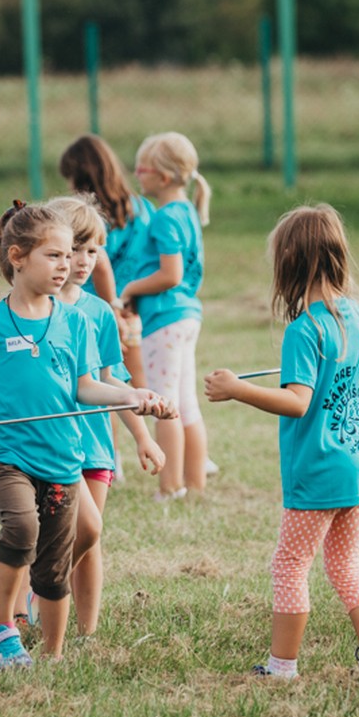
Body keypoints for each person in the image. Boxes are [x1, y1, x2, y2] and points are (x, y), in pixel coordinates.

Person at [0, 201, 172, 670]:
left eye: (70, 254)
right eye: (54, 255)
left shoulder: (77, 322)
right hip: (8, 452)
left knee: (57, 562)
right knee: (21, 528)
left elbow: (87, 386)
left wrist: (133, 396)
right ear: (17, 257)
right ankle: (2, 627)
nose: (67, 265)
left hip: (63, 456)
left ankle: (53, 653)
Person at [205, 204, 359, 679]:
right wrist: (346, 368)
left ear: (289, 262)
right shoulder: (357, 315)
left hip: (318, 470)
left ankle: (282, 666)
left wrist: (237, 389)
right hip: (358, 465)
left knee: (290, 565)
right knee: (345, 564)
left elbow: (297, 402)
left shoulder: (304, 329)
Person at [23, 195, 165, 639]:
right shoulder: (32, 309)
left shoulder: (100, 312)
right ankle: (29, 600)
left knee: (90, 536)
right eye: (74, 250)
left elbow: (113, 380)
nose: (84, 261)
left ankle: (85, 631)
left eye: (93, 250)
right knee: (49, 533)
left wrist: (143, 436)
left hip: (94, 445)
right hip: (46, 445)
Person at [116, 132, 211, 501]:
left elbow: (170, 274)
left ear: (165, 176)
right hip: (186, 316)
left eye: (142, 169)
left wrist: (129, 290)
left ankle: (170, 487)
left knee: (165, 405)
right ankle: (194, 483)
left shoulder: (163, 218)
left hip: (165, 320)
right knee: (186, 403)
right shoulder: (186, 211)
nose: (136, 175)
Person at [58, 134, 152, 385]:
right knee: (138, 385)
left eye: (70, 178)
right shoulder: (142, 208)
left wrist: (113, 307)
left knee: (100, 382)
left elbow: (101, 265)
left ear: (81, 176)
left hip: (95, 311)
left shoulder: (87, 219)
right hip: (132, 309)